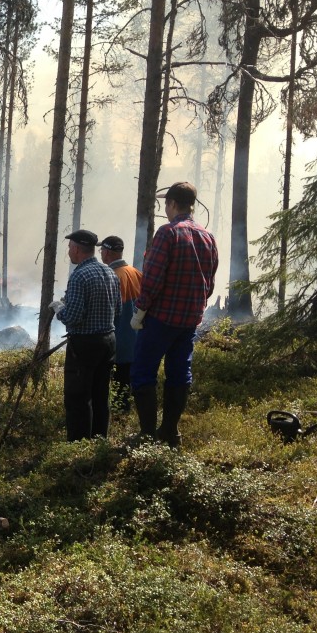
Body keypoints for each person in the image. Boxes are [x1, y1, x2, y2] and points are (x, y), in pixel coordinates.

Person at [130, 181, 218, 447]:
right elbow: (210, 284)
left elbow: (153, 278)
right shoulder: (208, 237)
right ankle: (170, 432)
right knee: (180, 374)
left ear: (171, 204)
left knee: (143, 372)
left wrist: (140, 310)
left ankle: (147, 436)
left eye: (165, 205)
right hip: (189, 321)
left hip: (160, 319)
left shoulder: (168, 233)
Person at [50, 229, 121, 441]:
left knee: (78, 397)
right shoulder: (110, 272)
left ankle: (78, 445)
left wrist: (58, 309)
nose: (69, 251)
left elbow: (73, 316)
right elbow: (117, 310)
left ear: (78, 249)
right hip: (108, 341)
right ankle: (99, 441)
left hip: (85, 345)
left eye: (70, 247)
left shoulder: (79, 275)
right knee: (100, 395)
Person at [99, 235, 142, 412]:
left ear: (107, 253)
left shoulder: (112, 277)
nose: (101, 253)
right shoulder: (136, 272)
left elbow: (108, 313)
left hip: (118, 343)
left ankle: (118, 420)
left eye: (102, 250)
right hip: (136, 341)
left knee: (117, 388)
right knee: (128, 385)